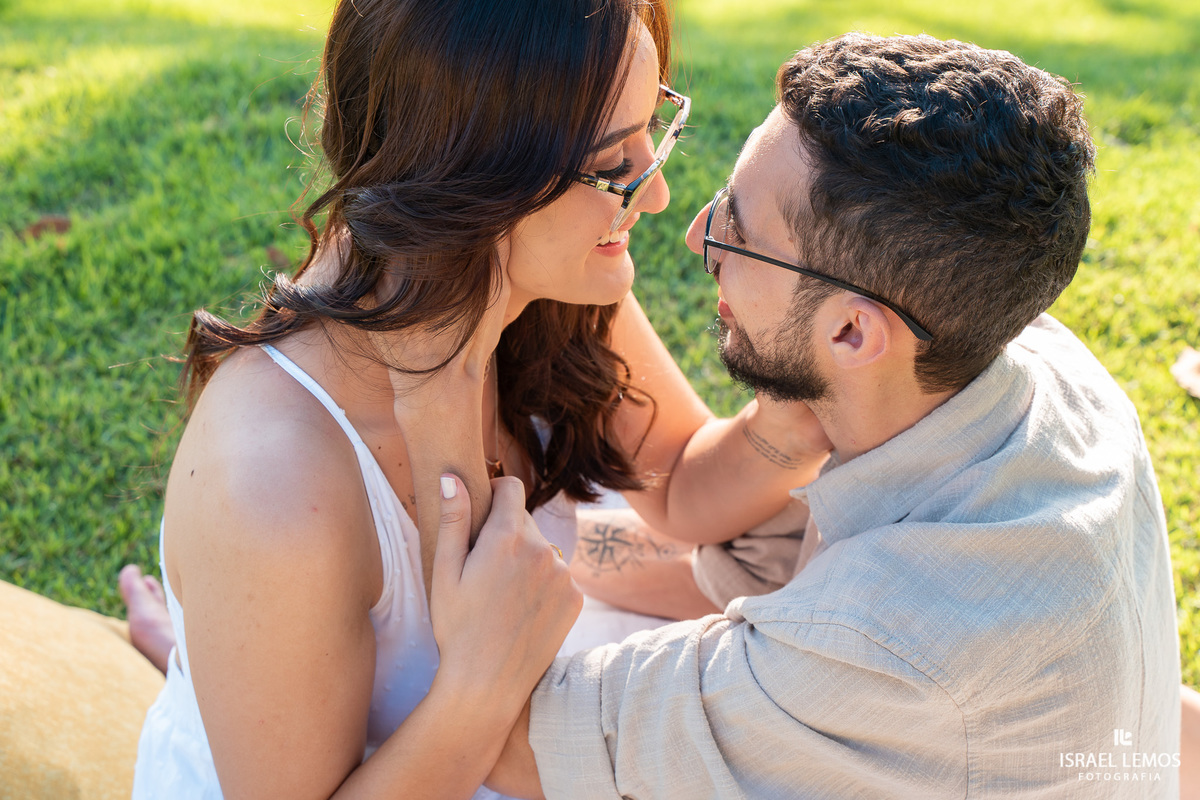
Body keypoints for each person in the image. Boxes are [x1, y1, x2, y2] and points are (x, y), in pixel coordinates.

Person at [129, 0, 835, 798]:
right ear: (472, 177)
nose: (660, 193)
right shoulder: (276, 485)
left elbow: (678, 483)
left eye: (653, 125)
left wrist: (808, 411)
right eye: (613, 162)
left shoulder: (547, 273)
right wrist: (483, 686)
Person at [483, 32, 1183, 798]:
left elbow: (522, 744)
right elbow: (721, 561)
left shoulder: (878, 640)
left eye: (738, 233)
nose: (695, 237)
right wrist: (560, 547)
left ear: (853, 333)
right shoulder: (1037, 367)